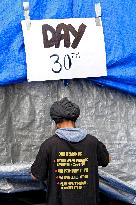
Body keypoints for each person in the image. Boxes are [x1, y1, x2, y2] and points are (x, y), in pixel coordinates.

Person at [31, 97, 110, 205]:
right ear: (74, 119)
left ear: (56, 121)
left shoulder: (49, 145)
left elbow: (36, 175)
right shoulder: (93, 142)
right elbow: (106, 160)